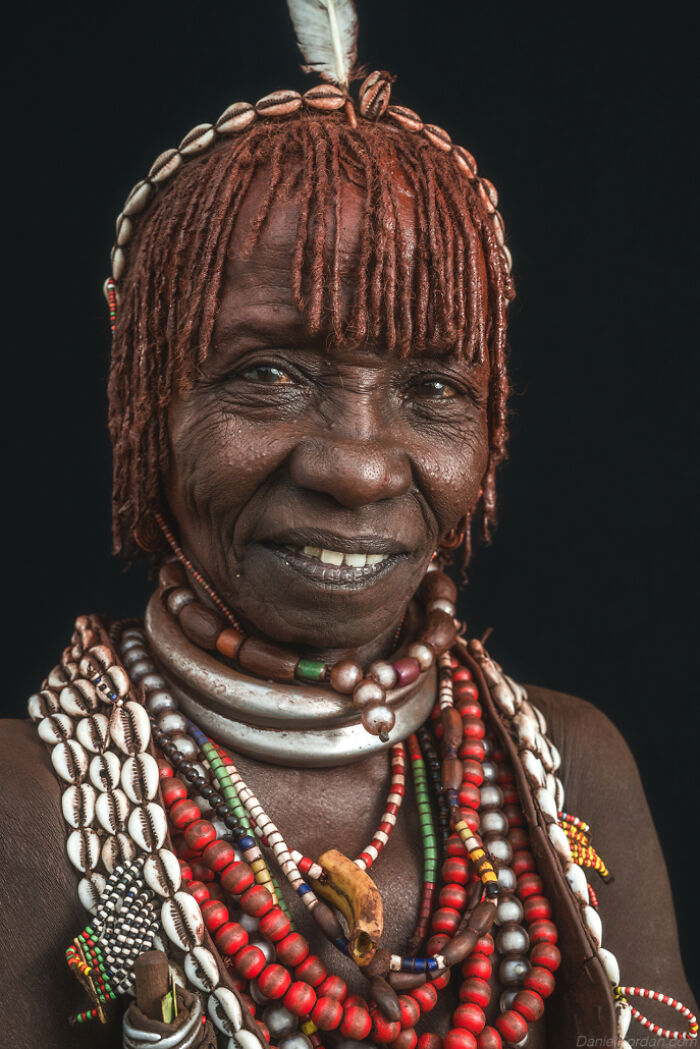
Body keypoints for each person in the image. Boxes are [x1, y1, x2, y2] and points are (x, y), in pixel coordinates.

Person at [0, 5, 696, 1048]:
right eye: (267, 373)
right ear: (147, 402)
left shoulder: (567, 764)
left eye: (431, 386)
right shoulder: (36, 808)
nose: (360, 465)